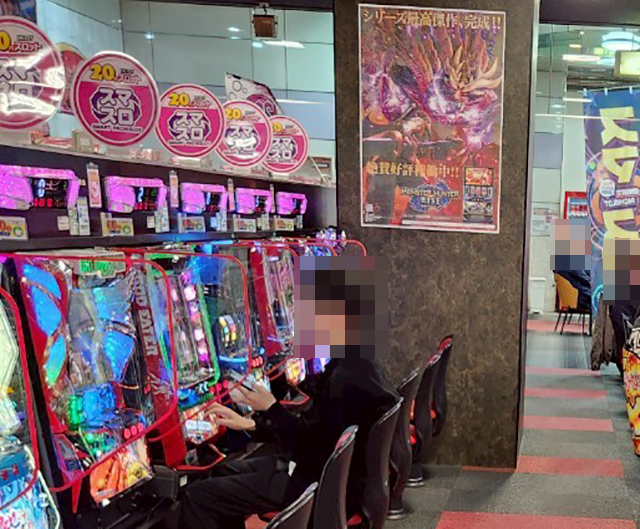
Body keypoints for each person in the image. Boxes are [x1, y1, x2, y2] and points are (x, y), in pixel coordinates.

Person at [172, 260, 397, 529]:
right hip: (335, 480)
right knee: (221, 471)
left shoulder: (346, 379)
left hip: (315, 482)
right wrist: (252, 424)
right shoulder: (360, 363)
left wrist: (272, 408)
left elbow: (312, 446)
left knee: (199, 495)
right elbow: (317, 432)